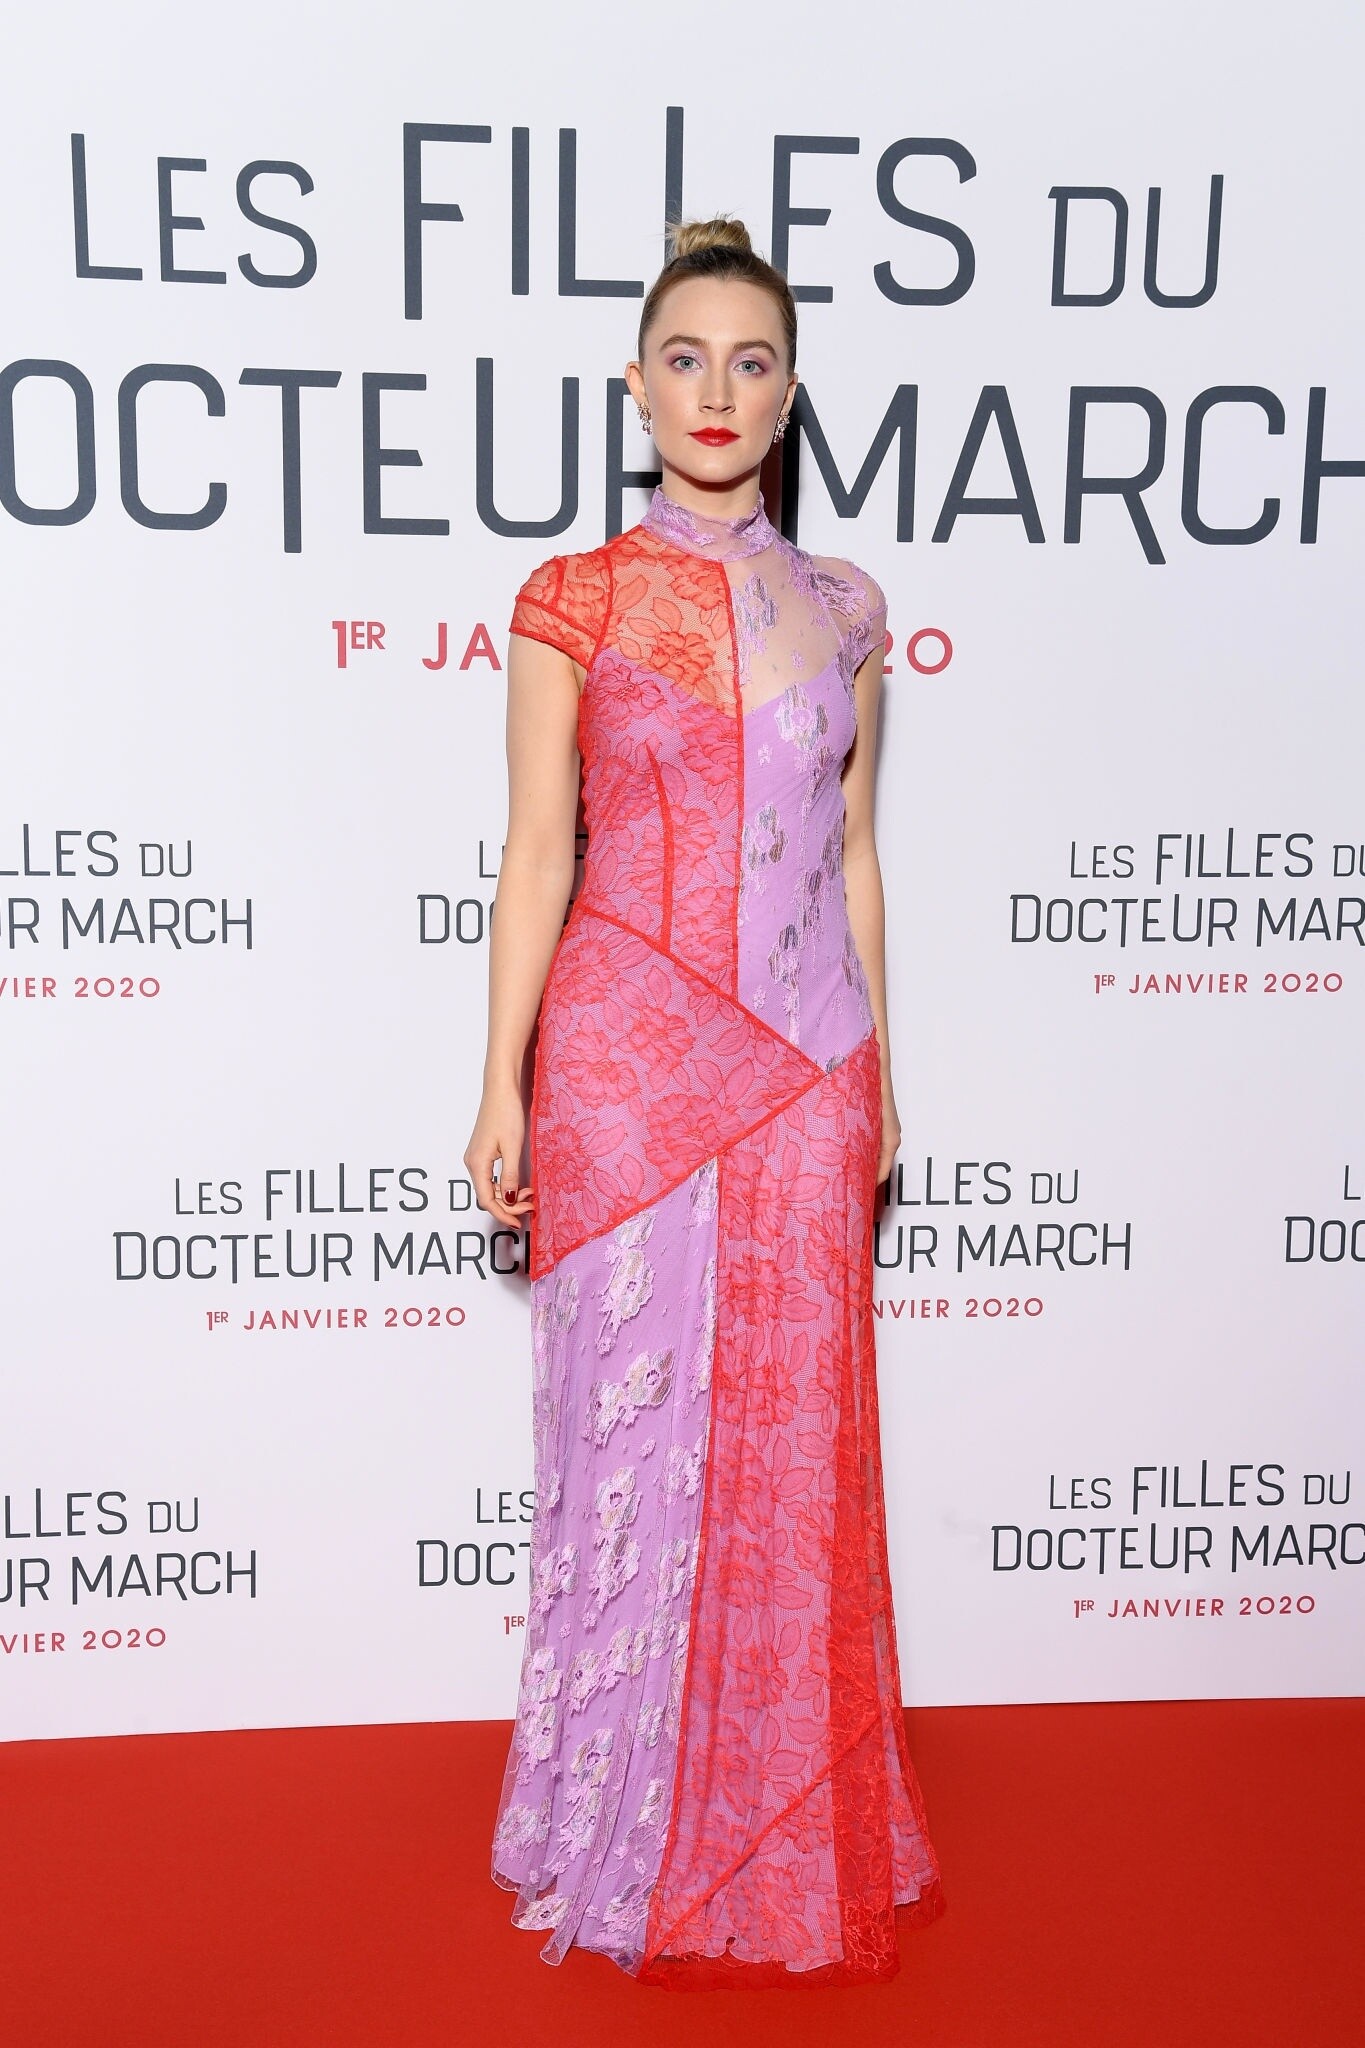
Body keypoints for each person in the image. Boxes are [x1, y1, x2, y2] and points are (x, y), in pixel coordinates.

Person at [464, 216, 943, 1986]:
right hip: (622, 1062)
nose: (716, 391)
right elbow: (537, 853)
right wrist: (499, 1080)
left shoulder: (848, 611)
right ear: (635, 385)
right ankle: (609, 1816)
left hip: (810, 1064)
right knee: (623, 1443)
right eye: (685, 359)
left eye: (751, 361)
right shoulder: (572, 598)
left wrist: (885, 1073)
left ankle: (769, 1822)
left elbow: (854, 854)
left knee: (791, 1460)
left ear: (791, 392)